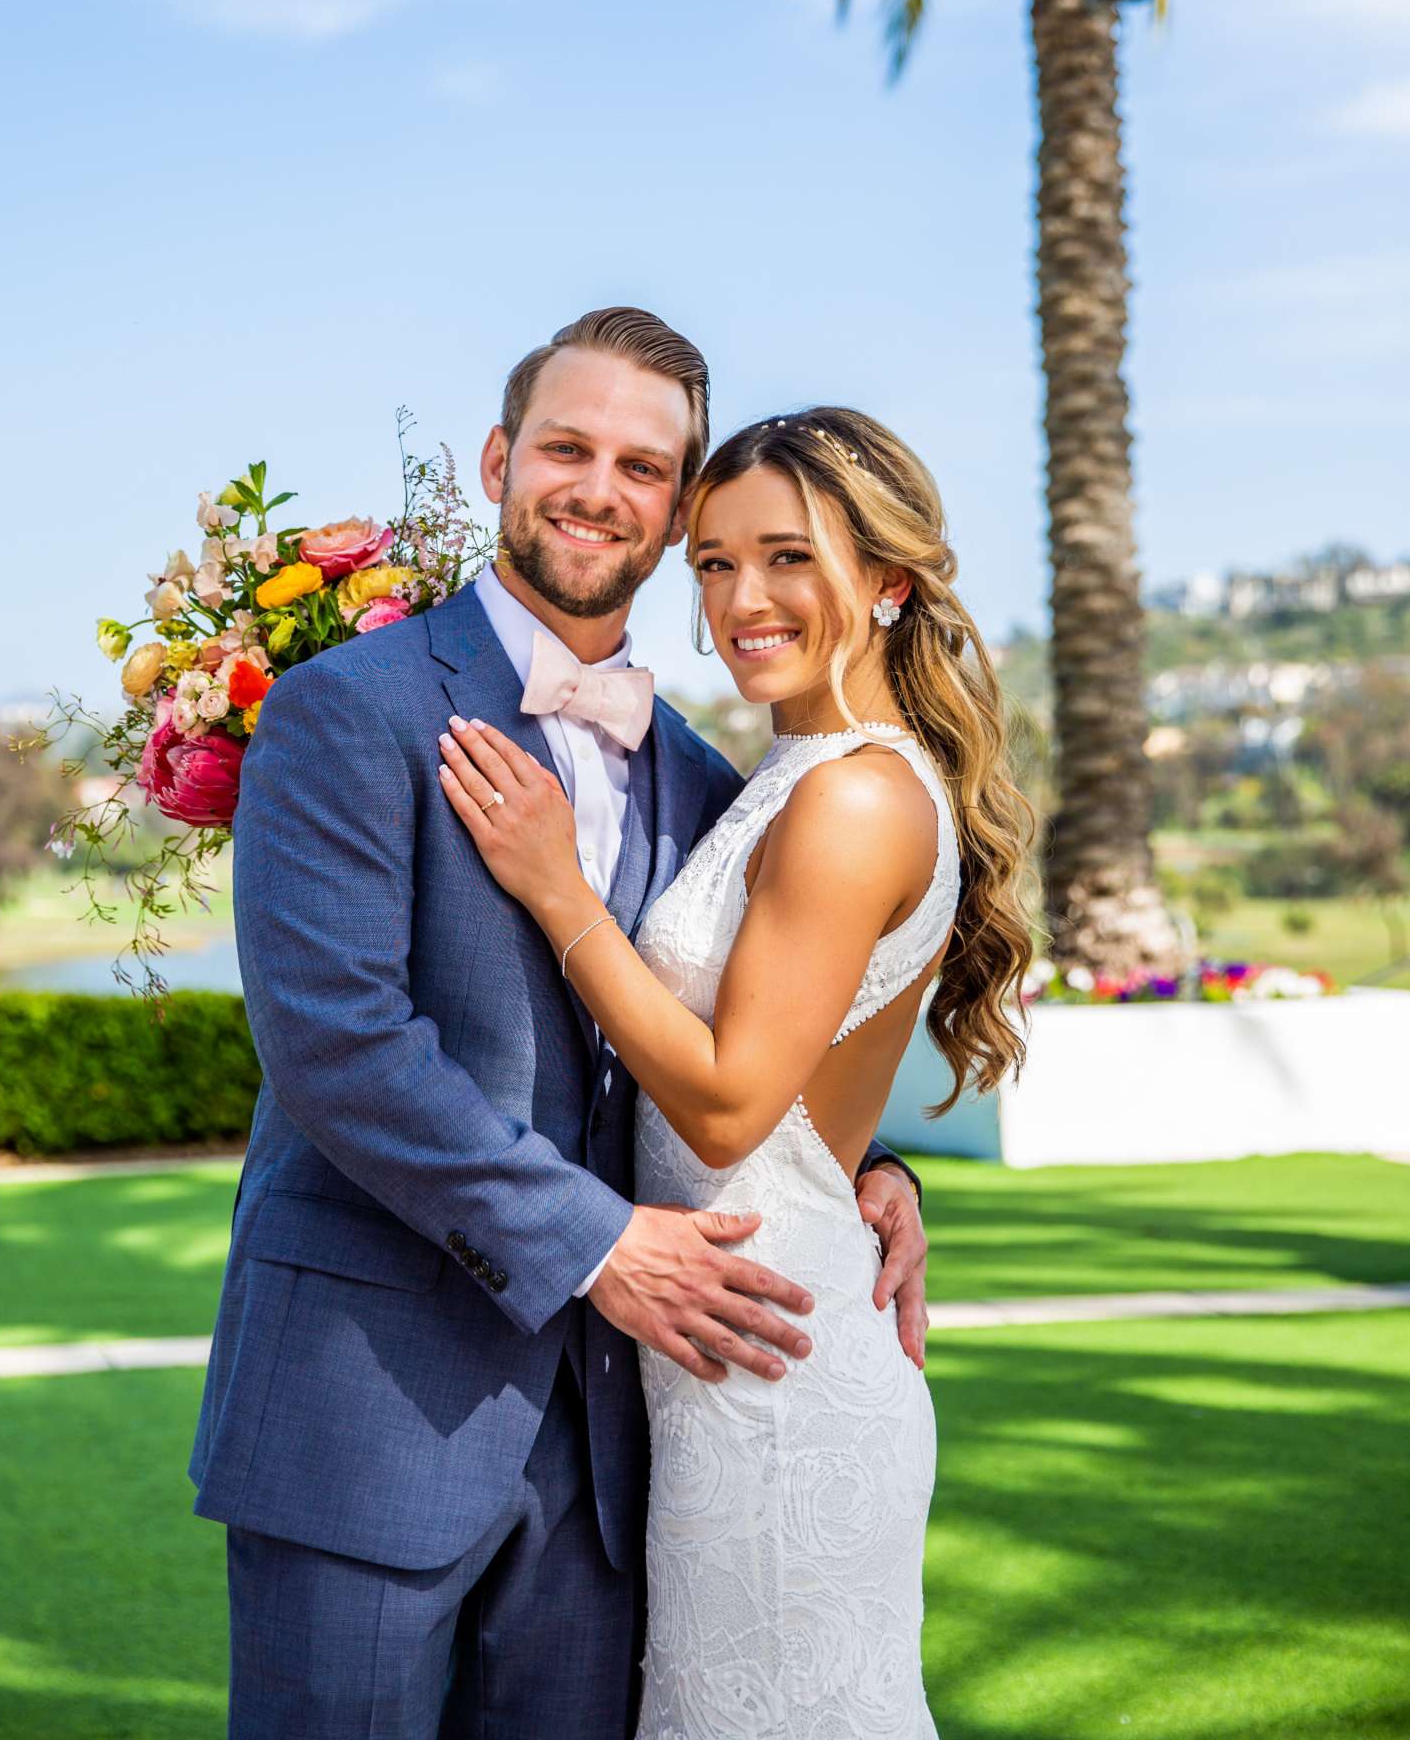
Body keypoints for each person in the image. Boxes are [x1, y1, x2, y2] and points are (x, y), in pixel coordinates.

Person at [190, 310, 930, 1739]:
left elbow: (731, 1029)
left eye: (644, 468)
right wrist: (595, 1243)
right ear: (497, 460)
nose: (600, 488)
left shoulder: (713, 779)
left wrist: (868, 1170)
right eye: (568, 448)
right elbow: (340, 1044)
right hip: (366, 1413)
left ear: (675, 511)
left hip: (614, 1459)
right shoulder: (345, 712)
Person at [440, 406, 1035, 1738]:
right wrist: (870, 1164)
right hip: (726, 1351)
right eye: (710, 562)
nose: (739, 600)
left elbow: (724, 1098)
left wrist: (557, 893)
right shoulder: (789, 774)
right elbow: (804, 1061)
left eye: (786, 558)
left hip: (780, 1369)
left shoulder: (859, 797)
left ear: (887, 582)